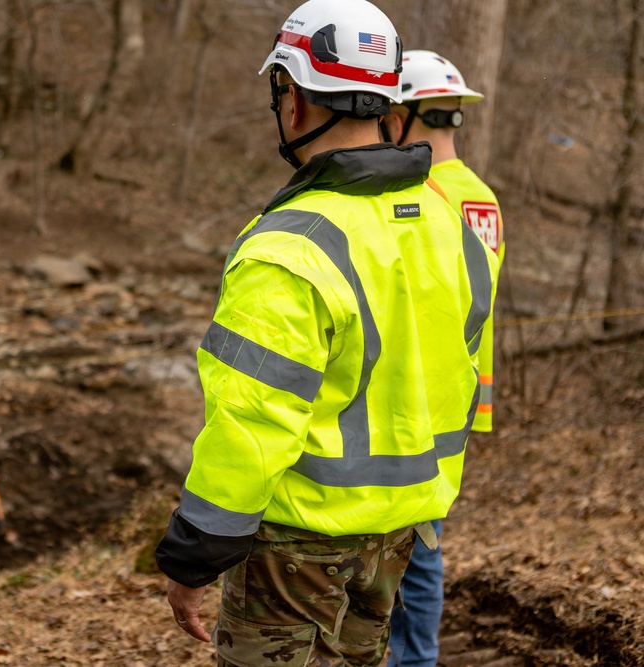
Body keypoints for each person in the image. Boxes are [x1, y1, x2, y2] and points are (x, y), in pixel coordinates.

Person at [153, 1, 500, 664]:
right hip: (399, 530)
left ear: (295, 101)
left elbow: (251, 424)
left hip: (295, 547)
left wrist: (193, 554)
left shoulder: (288, 246)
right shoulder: (449, 222)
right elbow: (457, 369)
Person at [381, 50, 506, 667]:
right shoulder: (480, 197)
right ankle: (417, 657)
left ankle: (407, 657)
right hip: (458, 395)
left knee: (408, 543)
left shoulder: (420, 193)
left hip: (413, 393)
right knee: (424, 533)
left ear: (405, 114)